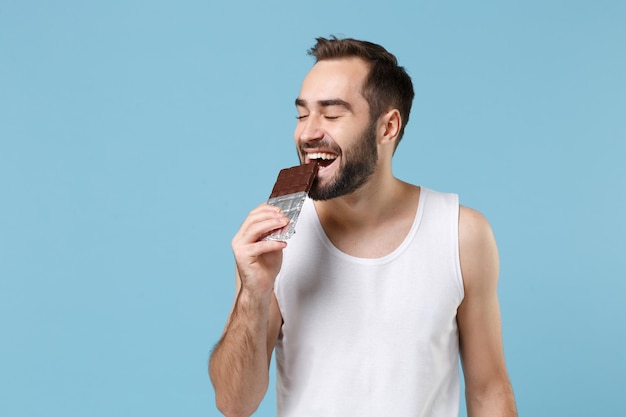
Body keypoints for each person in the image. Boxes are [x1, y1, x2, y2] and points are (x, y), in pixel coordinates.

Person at [209, 36, 517, 417]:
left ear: (388, 127)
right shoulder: (273, 235)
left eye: (332, 114)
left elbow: (490, 393)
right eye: (302, 114)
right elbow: (233, 404)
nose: (308, 133)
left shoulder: (461, 233)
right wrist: (253, 292)